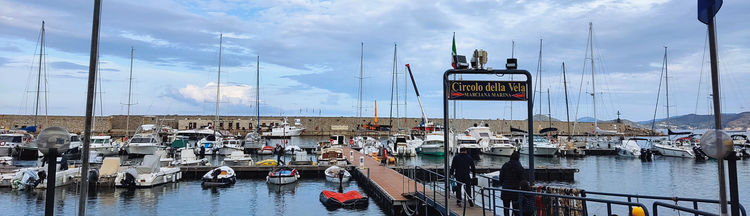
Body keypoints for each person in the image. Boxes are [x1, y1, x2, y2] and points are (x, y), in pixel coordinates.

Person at [499, 151, 526, 216]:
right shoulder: (519, 166)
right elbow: (523, 178)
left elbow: (501, 177)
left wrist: (503, 184)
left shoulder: (505, 165)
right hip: (515, 190)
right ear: (518, 158)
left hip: (505, 189)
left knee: (506, 208)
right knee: (516, 209)